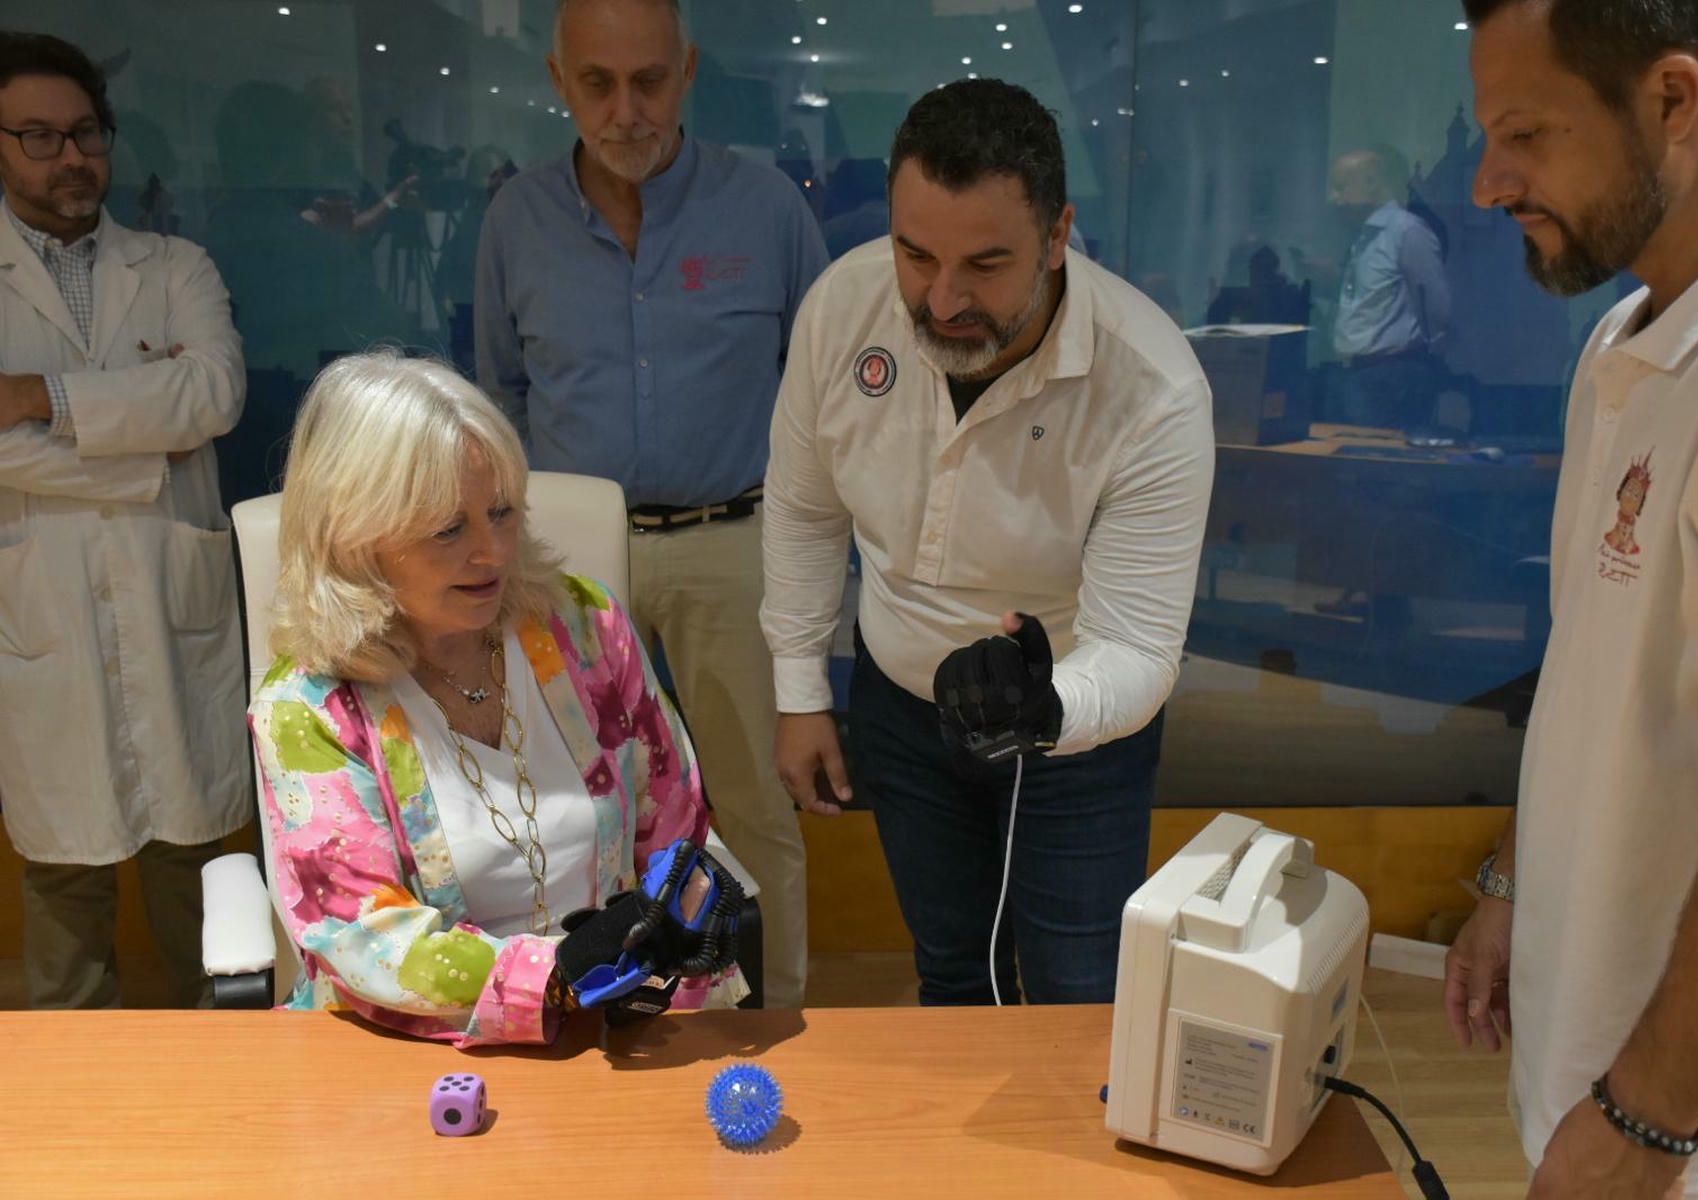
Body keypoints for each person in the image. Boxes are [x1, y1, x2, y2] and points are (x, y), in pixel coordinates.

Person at [1444, 2, 1698, 1196]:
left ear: (1672, 99)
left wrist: (1648, 1119)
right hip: (1596, 1044)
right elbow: (1604, 667)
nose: (1490, 183)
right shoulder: (1621, 342)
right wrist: (1513, 880)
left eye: (1525, 134)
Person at [761, 79, 1214, 1006]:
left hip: (1078, 724)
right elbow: (807, 510)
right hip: (900, 705)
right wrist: (801, 690)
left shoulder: (1152, 387)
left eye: (987, 263)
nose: (942, 298)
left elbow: (1138, 645)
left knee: (1077, 990)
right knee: (951, 969)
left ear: (1057, 237)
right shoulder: (843, 308)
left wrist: (1046, 707)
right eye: (915, 254)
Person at [475, 0, 826, 1009]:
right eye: (597, 83)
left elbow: (819, 397)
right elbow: (502, 398)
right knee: (586, 802)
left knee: (754, 805)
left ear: (688, 71)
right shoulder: (516, 220)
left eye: (649, 80)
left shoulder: (763, 210)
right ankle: (614, 1002)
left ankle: (772, 1012)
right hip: (571, 561)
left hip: (734, 545)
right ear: (557, 79)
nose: (625, 109)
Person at [247, 352, 745, 1047]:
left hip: (620, 1028)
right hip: (406, 1055)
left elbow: (674, 826)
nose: (494, 552)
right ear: (352, 539)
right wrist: (562, 974)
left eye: (502, 512)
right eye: (448, 529)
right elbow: (365, 937)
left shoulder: (584, 628)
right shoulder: (308, 706)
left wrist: (677, 947)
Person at [0, 32, 248, 1010]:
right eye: (39, 136)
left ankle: (233, 1095)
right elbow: (177, 417)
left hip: (167, 607)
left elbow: (214, 393)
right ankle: (73, 1128)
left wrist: (39, 399)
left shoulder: (175, 263)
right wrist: (146, 444)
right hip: (45, 619)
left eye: (87, 132)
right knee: (64, 869)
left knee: (200, 859)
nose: (73, 156)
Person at [1328, 146, 1452, 431]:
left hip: (1392, 378)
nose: (1334, 198)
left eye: (1341, 187)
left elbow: (1436, 306)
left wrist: (1421, 363)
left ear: (1372, 182)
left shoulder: (1408, 232)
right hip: (1357, 376)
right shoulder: (1365, 235)